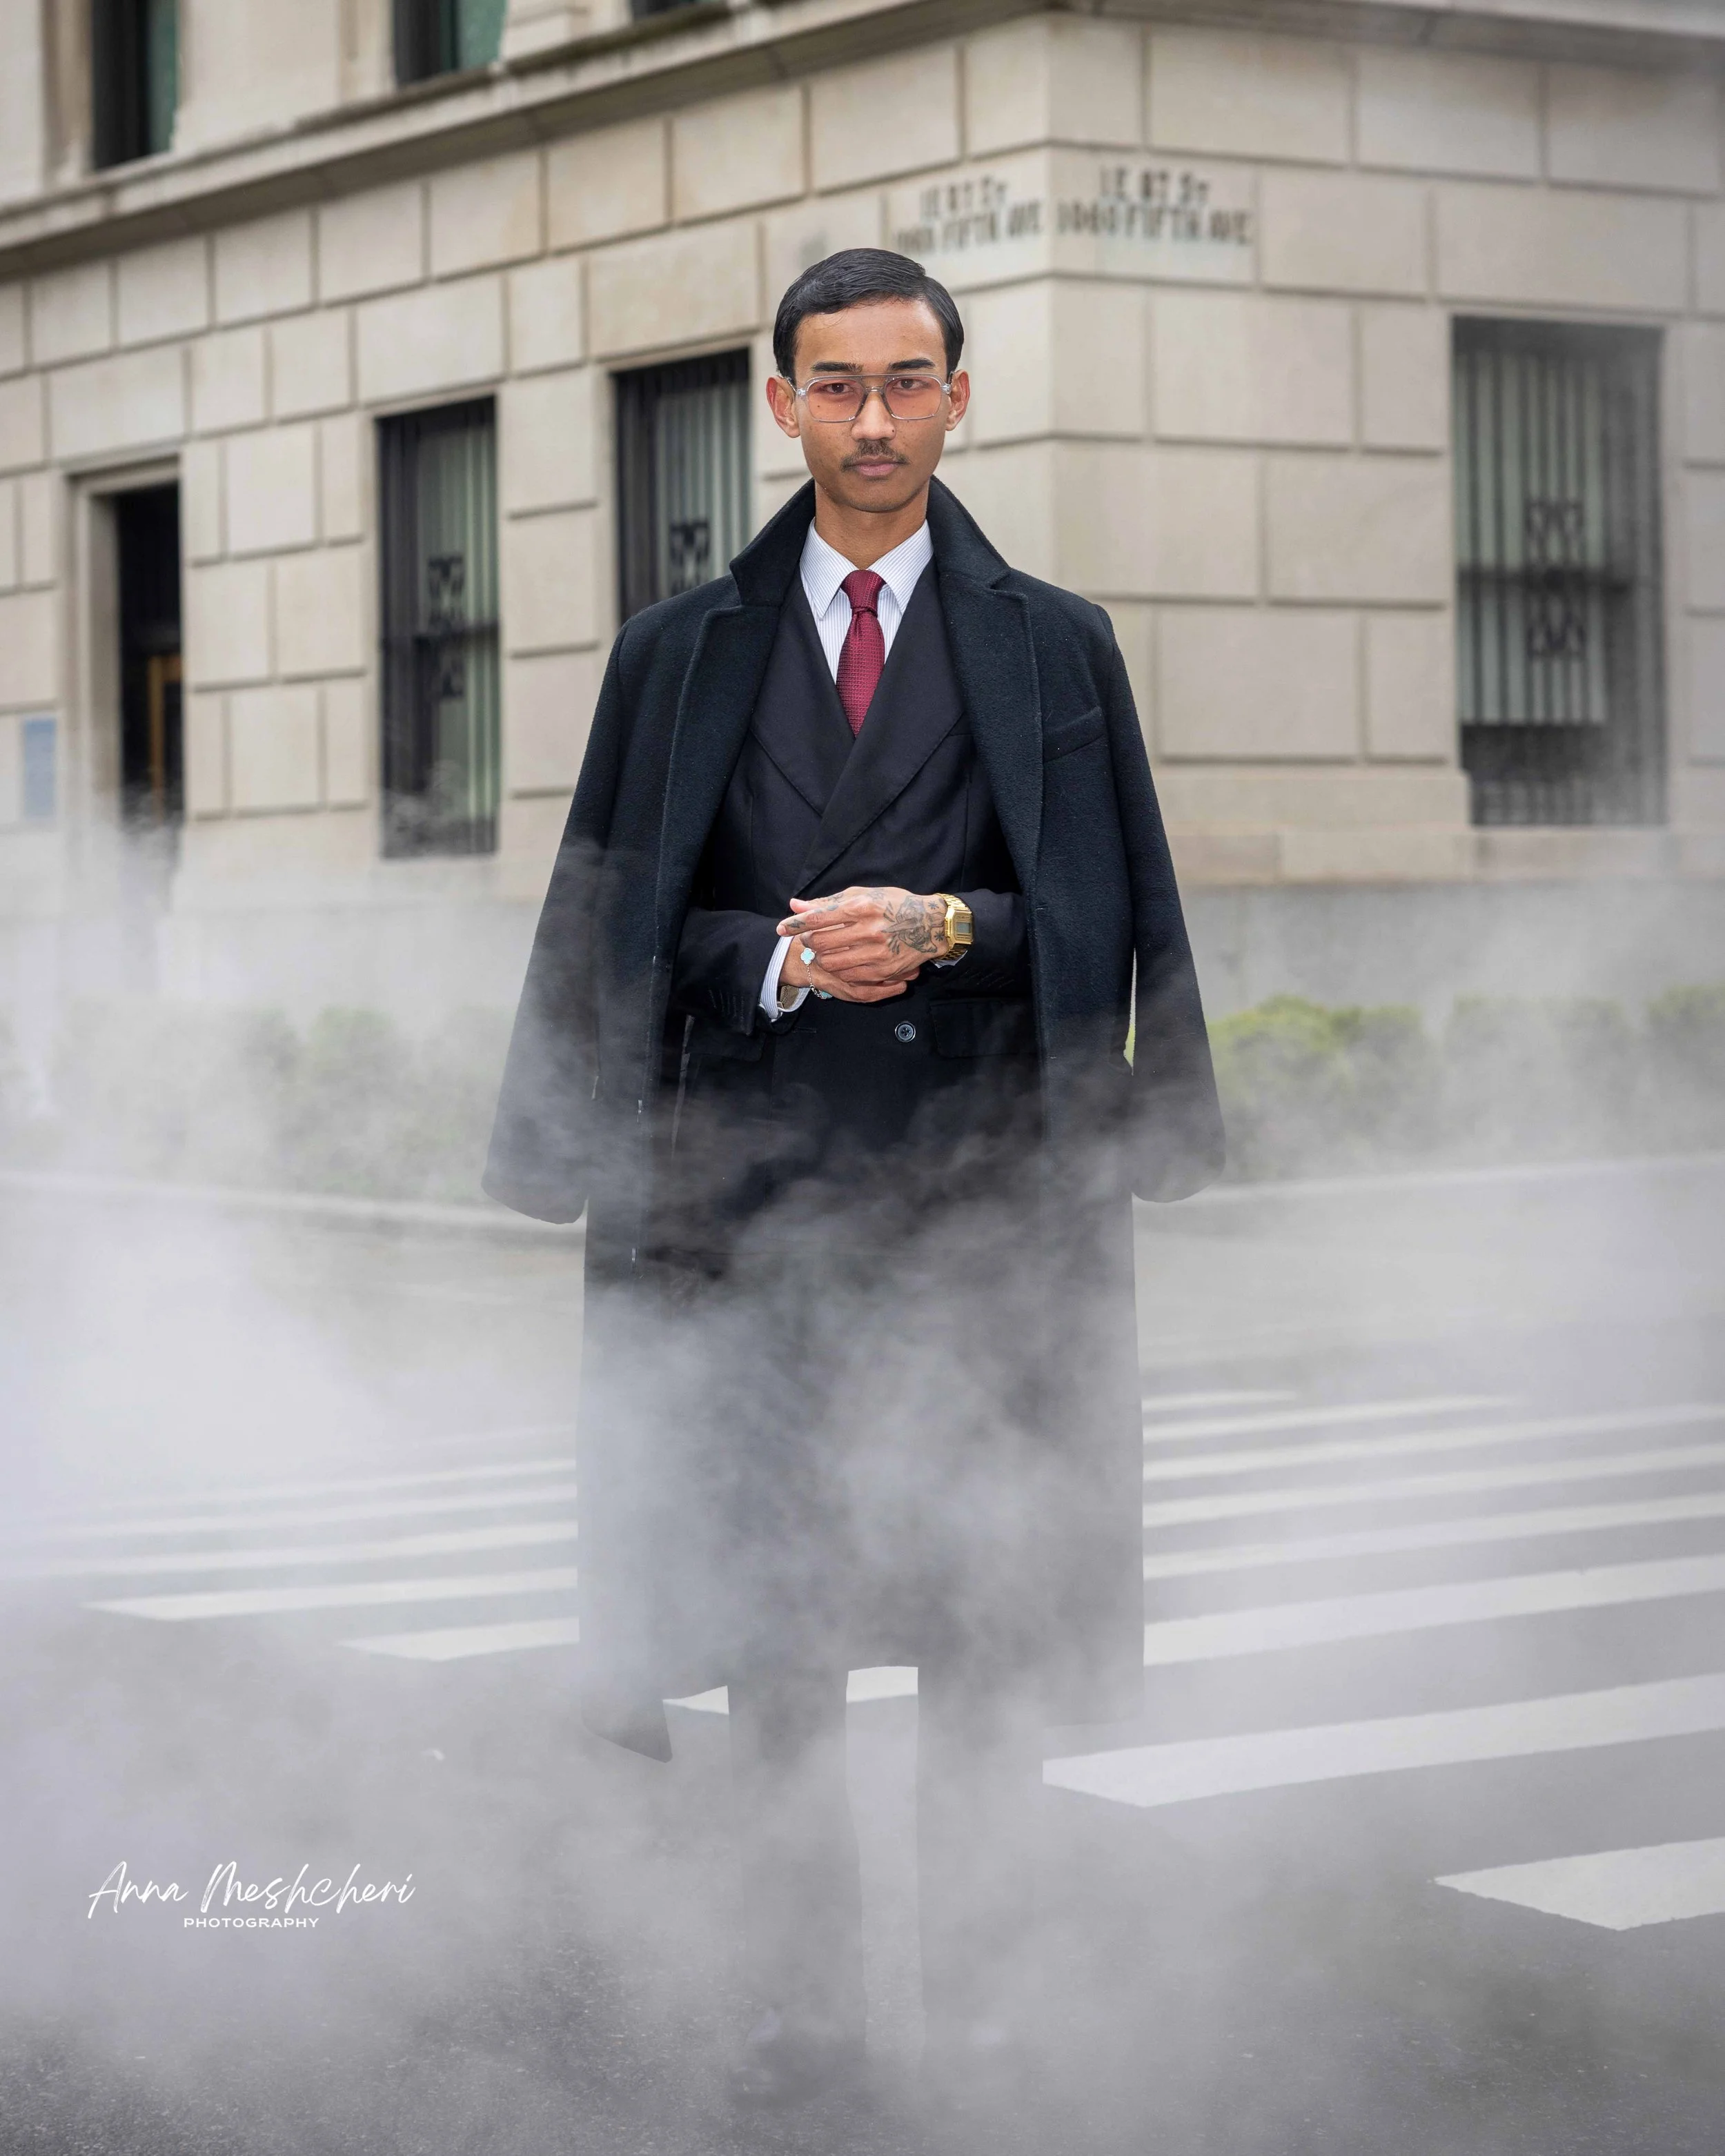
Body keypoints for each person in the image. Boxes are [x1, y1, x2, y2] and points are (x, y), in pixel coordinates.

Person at [484, 248, 1224, 2109]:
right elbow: (609, 924)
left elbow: (1110, 901)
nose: (875, 421)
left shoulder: (1059, 642)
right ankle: (796, 2001)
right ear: (781, 403)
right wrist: (781, 953)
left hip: (984, 1215)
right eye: (838, 385)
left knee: (978, 1615)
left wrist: (949, 920)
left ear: (958, 395)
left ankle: (980, 1987)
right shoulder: (675, 654)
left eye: (909, 382)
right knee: (780, 1627)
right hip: (747, 1220)